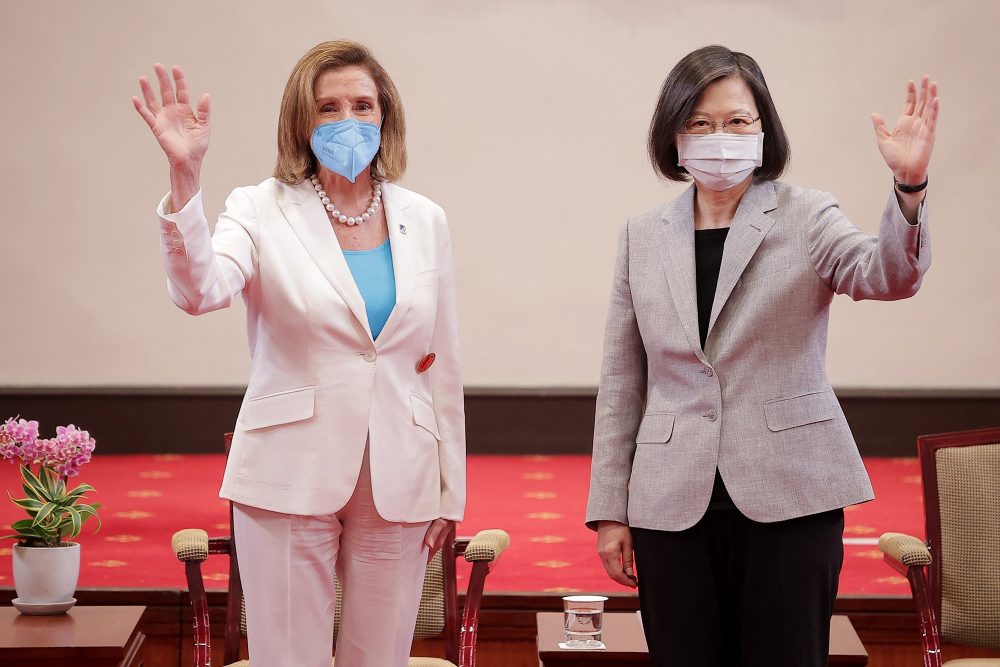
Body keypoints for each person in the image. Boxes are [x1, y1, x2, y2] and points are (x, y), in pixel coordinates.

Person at [585, 45, 936, 666]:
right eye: (699, 123)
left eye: (737, 121)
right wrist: (611, 510)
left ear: (764, 128)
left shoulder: (807, 215)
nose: (719, 137)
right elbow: (622, 381)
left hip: (790, 493)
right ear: (672, 136)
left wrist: (908, 187)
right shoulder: (642, 234)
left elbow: (888, 274)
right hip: (671, 499)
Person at [132, 40, 465, 667]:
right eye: (328, 108)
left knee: (380, 658)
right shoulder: (259, 209)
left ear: (385, 117)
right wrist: (185, 177)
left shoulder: (425, 220)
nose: (348, 122)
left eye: (363, 106)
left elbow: (440, 359)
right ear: (301, 123)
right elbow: (200, 291)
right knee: (288, 658)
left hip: (401, 469)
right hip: (288, 466)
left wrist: (451, 491)